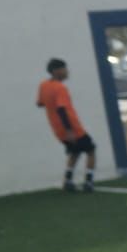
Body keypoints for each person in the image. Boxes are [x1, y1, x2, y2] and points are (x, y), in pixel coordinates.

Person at [36, 58, 96, 192]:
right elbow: (61, 109)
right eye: (64, 69)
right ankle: (88, 181)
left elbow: (40, 103)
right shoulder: (60, 87)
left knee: (75, 152)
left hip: (57, 130)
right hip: (72, 128)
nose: (67, 72)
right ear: (56, 71)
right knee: (91, 150)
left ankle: (67, 181)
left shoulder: (43, 85)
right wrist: (69, 130)